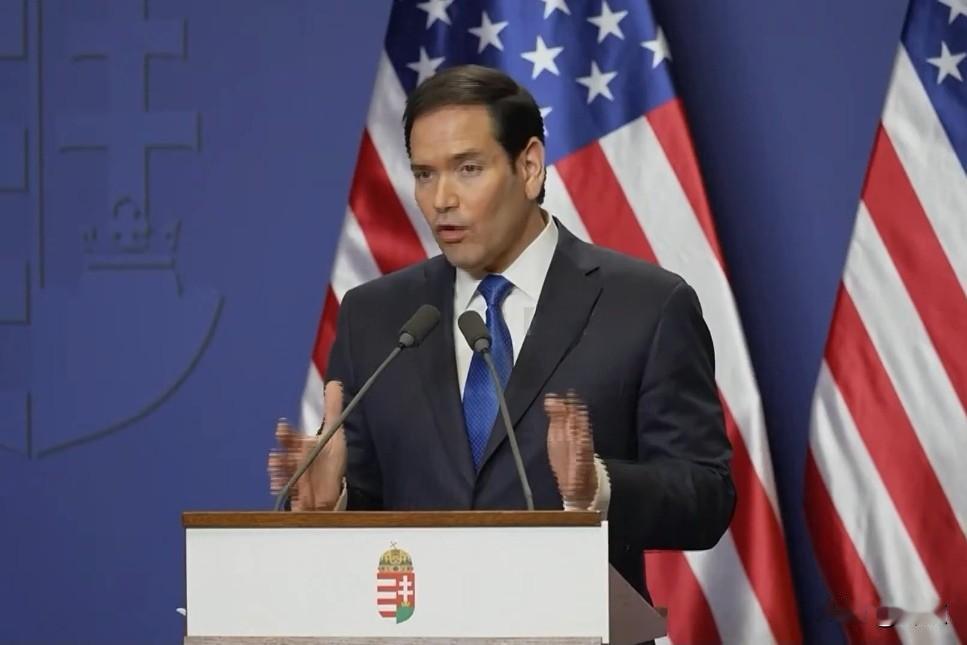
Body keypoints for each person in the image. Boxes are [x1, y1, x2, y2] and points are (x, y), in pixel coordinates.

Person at [269, 64, 735, 598]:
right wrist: (335, 503)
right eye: (424, 174)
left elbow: (706, 495)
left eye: (467, 168)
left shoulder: (645, 306)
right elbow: (374, 497)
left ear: (529, 167)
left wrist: (598, 486)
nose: (441, 199)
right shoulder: (375, 315)